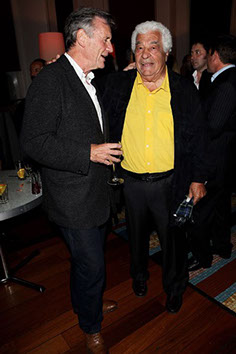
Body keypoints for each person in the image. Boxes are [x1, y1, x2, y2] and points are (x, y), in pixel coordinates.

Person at [20, 8, 123, 354]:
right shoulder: (52, 79)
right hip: (72, 198)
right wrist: (88, 152)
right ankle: (90, 326)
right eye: (105, 39)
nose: (110, 47)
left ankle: (87, 304)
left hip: (93, 193)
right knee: (92, 264)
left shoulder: (84, 78)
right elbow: (34, 141)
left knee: (85, 262)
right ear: (82, 38)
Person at [97, 21, 208, 314]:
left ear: (167, 53)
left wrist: (198, 178)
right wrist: (64, 67)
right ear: (133, 53)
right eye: (140, 47)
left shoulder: (183, 89)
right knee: (135, 237)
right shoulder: (118, 85)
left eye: (153, 46)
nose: (145, 54)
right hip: (131, 182)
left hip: (170, 182)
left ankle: (174, 288)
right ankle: (140, 276)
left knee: (173, 241)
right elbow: (86, 93)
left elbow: (199, 136)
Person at [188, 34, 236, 271]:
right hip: (225, 158)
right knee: (220, 206)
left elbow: (213, 126)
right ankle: (222, 246)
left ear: (215, 55)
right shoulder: (221, 79)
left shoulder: (226, 83)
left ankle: (202, 256)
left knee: (201, 209)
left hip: (216, 158)